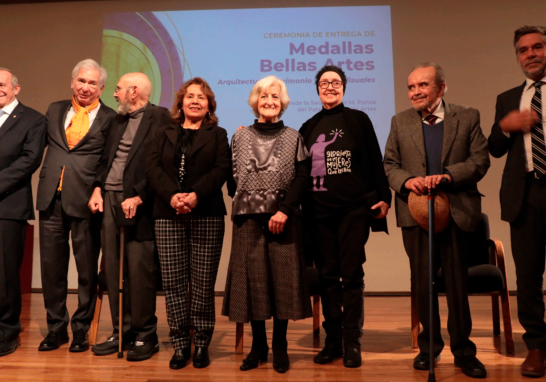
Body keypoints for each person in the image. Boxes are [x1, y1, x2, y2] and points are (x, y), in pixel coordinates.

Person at [384, 62, 489, 378]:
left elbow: (479, 160)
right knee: (423, 282)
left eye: (422, 85)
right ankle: (429, 349)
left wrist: (447, 176)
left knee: (457, 284)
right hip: (415, 214)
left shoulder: (467, 117)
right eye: (411, 87)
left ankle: (464, 351)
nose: (415, 92)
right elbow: (390, 163)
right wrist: (407, 181)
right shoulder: (400, 122)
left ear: (441, 88)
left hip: (455, 211)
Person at [300, 65, 391, 368]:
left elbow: (375, 161)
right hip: (318, 213)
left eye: (335, 82)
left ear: (344, 88)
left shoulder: (358, 119)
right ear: (317, 89)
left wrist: (384, 196)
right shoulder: (308, 126)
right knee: (327, 277)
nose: (329, 87)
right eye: (324, 83)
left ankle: (352, 342)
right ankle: (333, 341)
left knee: (351, 276)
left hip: (354, 210)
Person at [222, 76, 312, 374]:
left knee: (283, 284)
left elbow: (302, 178)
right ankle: (258, 346)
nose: (269, 101)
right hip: (248, 220)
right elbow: (232, 181)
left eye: (275, 97)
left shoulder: (294, 137)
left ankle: (281, 347)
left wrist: (283, 210)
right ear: (255, 101)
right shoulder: (240, 136)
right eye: (264, 96)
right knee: (254, 284)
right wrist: (251, 200)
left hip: (283, 220)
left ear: (282, 103)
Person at [146, 77, 230, 369]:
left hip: (206, 213)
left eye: (202, 98)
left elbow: (221, 169)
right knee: (173, 283)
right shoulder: (161, 133)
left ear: (209, 106)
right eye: (190, 96)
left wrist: (195, 196)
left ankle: (202, 343)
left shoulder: (218, 134)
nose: (195, 101)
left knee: (204, 283)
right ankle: (180, 344)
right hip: (168, 214)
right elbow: (152, 168)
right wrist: (173, 197)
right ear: (180, 103)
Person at [88, 73, 171, 361]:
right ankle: (120, 331)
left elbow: (164, 164)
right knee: (113, 268)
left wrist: (140, 195)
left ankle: (145, 333)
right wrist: (98, 188)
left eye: (119, 89)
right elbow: (104, 160)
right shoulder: (117, 120)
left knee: (139, 270)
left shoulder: (160, 117)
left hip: (137, 202)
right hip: (109, 199)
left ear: (134, 91)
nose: (114, 94)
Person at [36, 59, 116, 352]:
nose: (85, 87)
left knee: (86, 270)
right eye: (81, 81)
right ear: (72, 82)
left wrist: (99, 189)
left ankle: (81, 330)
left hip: (86, 201)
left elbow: (108, 160)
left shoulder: (110, 117)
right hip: (50, 199)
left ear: (102, 87)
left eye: (92, 83)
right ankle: (56, 329)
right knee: (51, 269)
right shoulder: (55, 109)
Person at [488, 26, 546, 378]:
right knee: (527, 277)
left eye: (537, 46)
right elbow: (494, 148)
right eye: (523, 50)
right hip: (525, 195)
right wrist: (506, 126)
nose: (531, 54)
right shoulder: (508, 97)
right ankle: (537, 347)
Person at [0, 68, 47, 357]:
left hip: (8, 207)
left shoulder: (33, 119)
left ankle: (7, 332)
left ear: (16, 88)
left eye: (2, 85)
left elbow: (29, 161)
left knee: (4, 274)